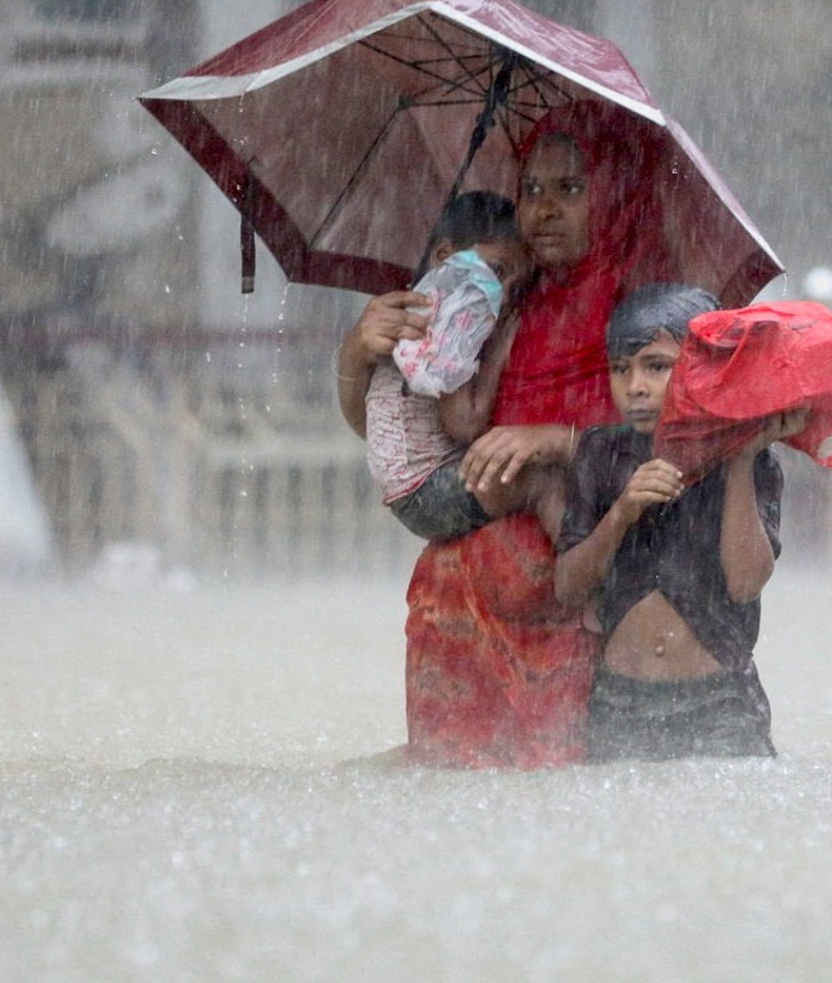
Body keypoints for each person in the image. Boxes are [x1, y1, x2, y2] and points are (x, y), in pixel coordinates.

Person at [336, 102, 689, 768]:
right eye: (530, 189)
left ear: (613, 198)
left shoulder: (645, 311)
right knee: (454, 805)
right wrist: (358, 355)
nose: (544, 209)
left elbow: (679, 441)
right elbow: (399, 437)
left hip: (583, 608)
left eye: (570, 189)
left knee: (566, 800)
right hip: (463, 609)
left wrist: (558, 441)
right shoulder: (498, 298)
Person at [552, 282, 804, 761]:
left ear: (703, 370)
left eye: (657, 366)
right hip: (620, 703)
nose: (635, 387)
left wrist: (740, 460)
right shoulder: (601, 454)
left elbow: (746, 582)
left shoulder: (751, 457)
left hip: (720, 705)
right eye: (620, 370)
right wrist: (623, 512)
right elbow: (568, 587)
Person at [350, 191, 563, 540]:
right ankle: (580, 573)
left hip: (409, 489)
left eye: (518, 284)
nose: (506, 292)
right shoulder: (453, 319)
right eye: (497, 271)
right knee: (546, 482)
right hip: (427, 490)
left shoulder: (423, 302)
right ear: (444, 257)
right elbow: (465, 425)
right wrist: (500, 350)